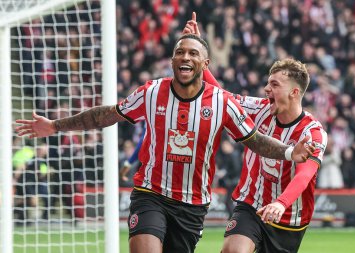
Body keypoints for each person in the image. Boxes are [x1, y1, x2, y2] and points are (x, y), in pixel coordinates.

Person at [16, 33, 314, 253]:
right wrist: (55, 125)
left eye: (193, 53)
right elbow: (107, 115)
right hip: (151, 193)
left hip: (192, 204)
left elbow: (254, 141)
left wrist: (289, 151)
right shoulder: (151, 92)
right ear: (172, 60)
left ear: (204, 63)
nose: (186, 57)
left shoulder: (222, 103)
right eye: (180, 52)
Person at [183, 13, 327, 253]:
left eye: (274, 84)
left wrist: (280, 204)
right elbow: (220, 96)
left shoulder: (313, 133)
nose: (266, 88)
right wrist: (200, 54)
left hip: (289, 218)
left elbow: (305, 174)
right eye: (267, 83)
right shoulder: (259, 108)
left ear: (294, 92)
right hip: (250, 204)